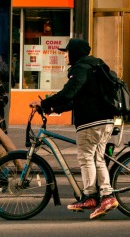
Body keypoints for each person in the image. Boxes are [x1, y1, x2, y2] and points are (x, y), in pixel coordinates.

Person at [30, 38, 119, 220]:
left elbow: (69, 92)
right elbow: (76, 99)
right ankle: (107, 196)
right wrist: (52, 108)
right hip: (105, 120)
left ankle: (89, 197)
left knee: (85, 157)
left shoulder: (81, 69)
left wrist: (43, 102)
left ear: (75, 52)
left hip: (91, 121)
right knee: (98, 158)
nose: (64, 56)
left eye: (66, 52)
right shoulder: (94, 66)